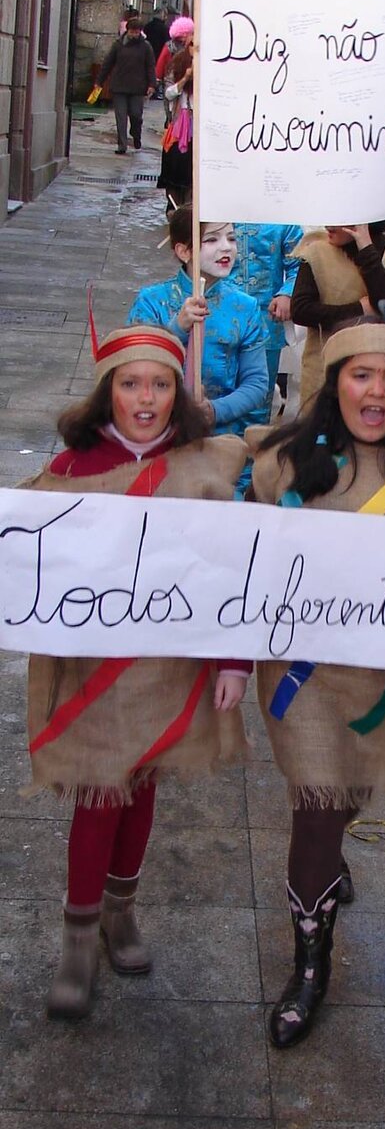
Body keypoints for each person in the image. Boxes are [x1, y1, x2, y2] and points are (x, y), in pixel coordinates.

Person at [21, 325, 250, 1020]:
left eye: (159, 384)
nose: (144, 398)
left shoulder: (207, 467)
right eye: (129, 383)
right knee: (98, 792)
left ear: (177, 394)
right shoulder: (68, 472)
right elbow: (27, 556)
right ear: (106, 391)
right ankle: (78, 939)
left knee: (141, 786)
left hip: (168, 664)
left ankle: (122, 910)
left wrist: (235, 658)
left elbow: (233, 570)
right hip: (94, 667)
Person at [248, 313, 385, 1049]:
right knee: (319, 806)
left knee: (349, 796)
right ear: (336, 383)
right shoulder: (280, 463)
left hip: (380, 681)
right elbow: (236, 557)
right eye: (362, 374)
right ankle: (309, 964)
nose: (378, 390)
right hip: (301, 679)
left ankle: (328, 870)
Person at [127, 206, 267, 441]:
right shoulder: (151, 301)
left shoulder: (245, 307)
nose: (226, 247)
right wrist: (177, 329)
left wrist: (215, 410)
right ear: (183, 251)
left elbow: (257, 382)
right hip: (156, 434)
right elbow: (131, 365)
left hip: (220, 438)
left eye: (232, 238)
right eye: (211, 239)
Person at [291, 221, 385, 406]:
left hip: (372, 365)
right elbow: (300, 311)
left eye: (340, 218)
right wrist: (357, 310)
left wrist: (366, 248)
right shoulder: (316, 251)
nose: (329, 224)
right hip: (323, 366)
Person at [230, 223, 305, 420]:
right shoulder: (216, 210)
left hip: (266, 319)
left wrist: (287, 294)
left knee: (260, 394)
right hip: (219, 316)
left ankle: (254, 445)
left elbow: (299, 264)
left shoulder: (282, 217)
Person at [96, 17, 156, 154]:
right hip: (119, 86)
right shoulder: (118, 45)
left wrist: (152, 84)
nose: (135, 34)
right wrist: (99, 81)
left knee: (136, 115)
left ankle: (136, 134)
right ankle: (122, 145)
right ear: (127, 30)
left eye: (137, 32)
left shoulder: (146, 47)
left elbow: (150, 67)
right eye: (132, 32)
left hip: (137, 88)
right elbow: (108, 63)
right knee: (121, 117)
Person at [157, 43, 194, 213]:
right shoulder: (178, 64)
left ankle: (188, 211)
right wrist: (185, 78)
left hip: (197, 131)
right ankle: (173, 209)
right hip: (178, 129)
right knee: (174, 171)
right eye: (191, 44)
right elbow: (168, 93)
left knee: (191, 175)